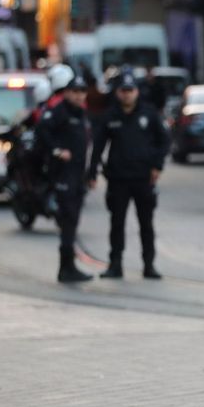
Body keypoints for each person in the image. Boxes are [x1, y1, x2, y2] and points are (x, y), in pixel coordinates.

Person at [87, 72, 170, 279]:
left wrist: (157, 166)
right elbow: (98, 146)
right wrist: (92, 172)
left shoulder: (148, 114)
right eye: (123, 91)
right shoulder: (110, 116)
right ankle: (115, 264)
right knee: (117, 223)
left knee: (146, 224)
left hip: (143, 178)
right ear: (117, 93)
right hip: (118, 178)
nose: (126, 95)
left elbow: (164, 141)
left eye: (130, 91)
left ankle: (148, 265)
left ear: (136, 92)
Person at [37, 75, 93, 284]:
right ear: (67, 93)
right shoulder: (59, 111)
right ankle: (65, 267)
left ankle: (69, 266)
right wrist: (57, 150)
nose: (79, 96)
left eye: (82, 92)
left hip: (78, 174)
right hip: (63, 174)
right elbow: (42, 129)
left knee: (73, 220)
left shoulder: (81, 113)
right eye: (75, 92)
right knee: (68, 219)